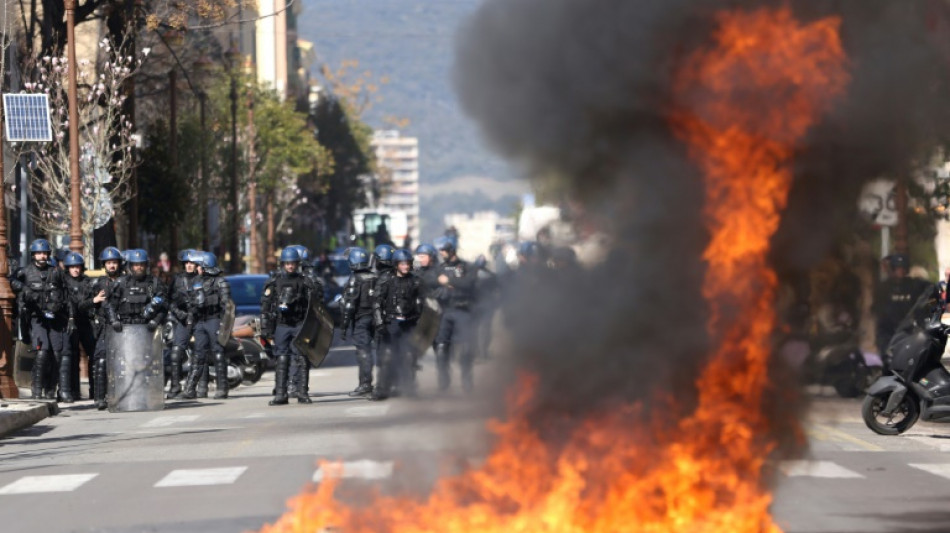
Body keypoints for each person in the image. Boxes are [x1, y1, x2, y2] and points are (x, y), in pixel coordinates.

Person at [11, 239, 69, 400]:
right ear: (33, 255)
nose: (42, 256)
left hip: (55, 318)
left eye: (45, 253)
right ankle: (36, 389)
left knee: (57, 354)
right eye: (39, 253)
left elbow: (66, 293)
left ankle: (51, 388)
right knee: (42, 352)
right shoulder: (25, 272)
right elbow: (12, 281)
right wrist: (25, 289)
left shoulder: (56, 272)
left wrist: (69, 316)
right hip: (36, 318)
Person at [260, 247, 318, 405]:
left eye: (293, 263)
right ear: (283, 264)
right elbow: (266, 307)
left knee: (302, 358)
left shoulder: (305, 282)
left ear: (298, 264)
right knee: (281, 358)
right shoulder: (274, 282)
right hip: (282, 325)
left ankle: (303, 393)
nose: (290, 266)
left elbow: (315, 305)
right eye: (288, 263)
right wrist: (266, 330)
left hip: (299, 324)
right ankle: (281, 394)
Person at [181, 252, 231, 400]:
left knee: (217, 353)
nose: (197, 268)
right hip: (200, 321)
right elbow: (190, 303)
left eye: (199, 266)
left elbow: (227, 305)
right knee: (198, 354)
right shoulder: (196, 282)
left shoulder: (220, 282)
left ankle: (222, 387)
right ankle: (191, 389)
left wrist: (224, 325)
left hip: (214, 319)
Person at [373, 248, 422, 400]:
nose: (405, 267)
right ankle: (381, 388)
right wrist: (380, 322)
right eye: (402, 264)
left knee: (408, 356)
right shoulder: (386, 279)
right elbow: (376, 302)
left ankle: (409, 387)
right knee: (387, 356)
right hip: (391, 323)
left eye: (408, 264)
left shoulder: (415, 280)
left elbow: (423, 301)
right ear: (396, 265)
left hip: (410, 322)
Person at [432, 236, 478, 392]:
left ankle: (467, 380)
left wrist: (449, 280)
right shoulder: (439, 267)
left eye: (444, 249)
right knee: (441, 347)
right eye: (440, 250)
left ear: (452, 249)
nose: (442, 252)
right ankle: (443, 381)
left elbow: (468, 284)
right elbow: (432, 282)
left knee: (465, 348)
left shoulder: (466, 266)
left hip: (463, 310)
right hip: (445, 311)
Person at [873, 254, 932, 369]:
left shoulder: (914, 284)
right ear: (893, 268)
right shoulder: (884, 287)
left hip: (907, 331)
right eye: (897, 268)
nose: (900, 271)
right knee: (886, 363)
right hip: (888, 332)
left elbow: (931, 291)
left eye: (902, 268)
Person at [340, 247, 381, 397]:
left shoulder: (354, 279)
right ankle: (384, 383)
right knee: (382, 350)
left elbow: (349, 305)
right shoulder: (376, 277)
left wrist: (343, 326)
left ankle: (365, 384)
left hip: (361, 319)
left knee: (364, 351)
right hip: (378, 319)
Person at [89, 247, 125, 409]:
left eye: (114, 263)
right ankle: (99, 397)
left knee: (124, 361)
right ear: (104, 264)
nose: (112, 266)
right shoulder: (98, 283)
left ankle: (122, 395)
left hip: (124, 327)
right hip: (105, 327)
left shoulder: (126, 281)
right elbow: (83, 306)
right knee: (101, 360)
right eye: (109, 263)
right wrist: (93, 301)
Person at [165, 250, 200, 398]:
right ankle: (175, 386)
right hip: (182, 319)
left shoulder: (203, 278)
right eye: (187, 263)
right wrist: (178, 313)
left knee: (200, 353)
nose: (189, 266)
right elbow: (168, 299)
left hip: (200, 318)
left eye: (192, 263)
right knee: (176, 352)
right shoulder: (177, 279)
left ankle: (199, 387)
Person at [63, 252, 96, 401]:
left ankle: (95, 391)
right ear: (68, 268)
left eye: (78, 266)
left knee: (93, 355)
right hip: (71, 322)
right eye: (72, 267)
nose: (75, 269)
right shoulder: (64, 282)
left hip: (86, 322)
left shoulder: (87, 282)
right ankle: (73, 391)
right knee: (71, 356)